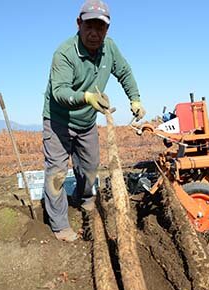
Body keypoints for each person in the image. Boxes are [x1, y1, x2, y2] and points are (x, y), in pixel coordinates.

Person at [42, 0, 146, 242]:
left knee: (90, 167)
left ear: (107, 30)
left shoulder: (109, 48)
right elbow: (59, 92)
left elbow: (125, 72)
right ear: (79, 24)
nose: (94, 33)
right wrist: (87, 97)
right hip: (58, 120)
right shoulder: (65, 53)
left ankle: (85, 199)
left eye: (100, 27)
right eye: (89, 26)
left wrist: (136, 99)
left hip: (87, 121)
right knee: (57, 173)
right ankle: (59, 225)